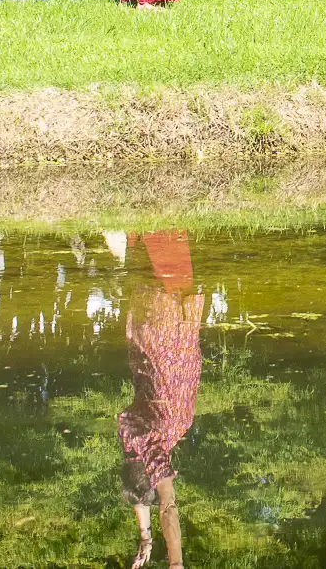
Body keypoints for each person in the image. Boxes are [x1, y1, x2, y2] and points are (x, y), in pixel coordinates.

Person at [118, 231, 204, 569]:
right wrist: (156, 545)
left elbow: (159, 503)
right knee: (156, 272)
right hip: (160, 346)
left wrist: (166, 553)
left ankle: (154, 229)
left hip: (175, 347)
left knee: (173, 279)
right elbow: (154, 502)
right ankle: (148, 230)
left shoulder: (162, 444)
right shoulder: (135, 441)